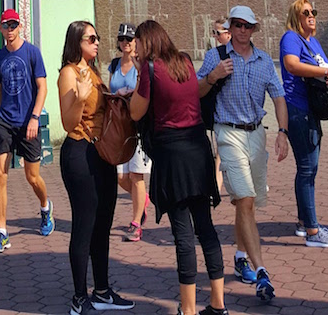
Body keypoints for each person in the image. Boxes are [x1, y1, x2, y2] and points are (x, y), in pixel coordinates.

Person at [130, 20, 223, 315]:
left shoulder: (150, 69)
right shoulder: (183, 60)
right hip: (198, 148)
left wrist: (136, 75)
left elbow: (135, 111)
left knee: (183, 233)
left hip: (172, 154)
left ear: (147, 42)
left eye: (139, 42)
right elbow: (193, 94)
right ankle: (218, 305)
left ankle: (188, 309)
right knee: (206, 228)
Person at [197, 5, 288, 302]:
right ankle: (262, 271)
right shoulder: (216, 56)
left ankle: (239, 256)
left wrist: (282, 133)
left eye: (248, 26)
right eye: (237, 25)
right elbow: (194, 91)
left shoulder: (263, 61)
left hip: (256, 134)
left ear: (253, 29)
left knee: (247, 204)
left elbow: (278, 98)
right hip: (228, 132)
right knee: (245, 199)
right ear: (230, 28)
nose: (242, 30)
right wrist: (212, 77)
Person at [58, 19, 134, 315]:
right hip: (80, 154)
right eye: (91, 38)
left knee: (103, 223)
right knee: (84, 225)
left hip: (102, 154)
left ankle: (102, 290)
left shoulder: (92, 71)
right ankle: (79, 298)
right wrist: (78, 96)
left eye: (97, 37)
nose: (97, 42)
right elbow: (68, 122)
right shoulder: (69, 73)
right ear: (77, 42)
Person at [280, 0, 328, 248]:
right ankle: (313, 230)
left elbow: (324, 67)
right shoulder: (291, 38)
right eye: (305, 12)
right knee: (307, 169)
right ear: (296, 17)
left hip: (312, 111)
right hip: (298, 109)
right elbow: (292, 65)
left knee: (310, 169)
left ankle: (303, 221)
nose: (311, 16)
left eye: (313, 12)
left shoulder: (313, 42)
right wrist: (326, 72)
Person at [0, 8, 54, 254]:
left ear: (20, 26)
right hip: (5, 120)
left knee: (32, 176)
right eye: (6, 26)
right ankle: (2, 232)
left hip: (28, 121)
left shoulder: (32, 53)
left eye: (14, 25)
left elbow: (42, 87)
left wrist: (35, 117)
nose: (10, 30)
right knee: (0, 174)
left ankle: (45, 207)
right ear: (2, 28)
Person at [107, 23, 151, 242]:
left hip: (138, 125)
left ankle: (136, 223)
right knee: (121, 177)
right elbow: (110, 89)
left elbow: (145, 91)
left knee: (136, 175)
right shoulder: (114, 64)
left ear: (137, 42)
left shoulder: (142, 65)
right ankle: (142, 199)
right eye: (122, 39)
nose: (125, 43)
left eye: (130, 39)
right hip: (119, 126)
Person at [202, 22, 231, 195]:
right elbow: (198, 85)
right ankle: (217, 188)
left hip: (245, 120)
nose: (215, 36)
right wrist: (213, 76)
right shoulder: (213, 56)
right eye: (214, 32)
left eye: (217, 32)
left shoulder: (251, 54)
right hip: (221, 116)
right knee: (220, 153)